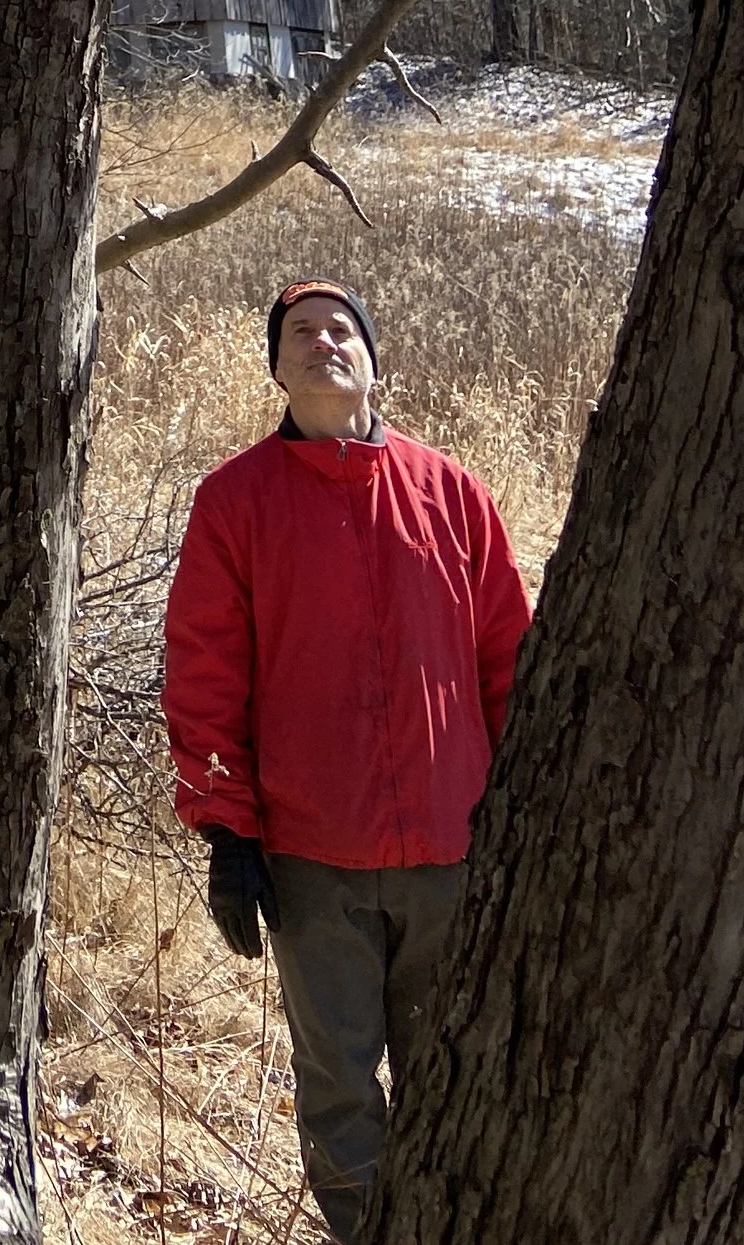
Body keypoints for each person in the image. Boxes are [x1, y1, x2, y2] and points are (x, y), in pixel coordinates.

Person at [162, 279, 533, 1240]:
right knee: (337, 1086)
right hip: (312, 854)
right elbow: (205, 672)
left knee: (455, 1070)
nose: (323, 343)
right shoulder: (233, 501)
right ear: (277, 368)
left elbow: (510, 663)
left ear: (374, 359)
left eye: (342, 330)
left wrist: (520, 816)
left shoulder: (452, 491)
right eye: (300, 333)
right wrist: (226, 830)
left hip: (452, 851)